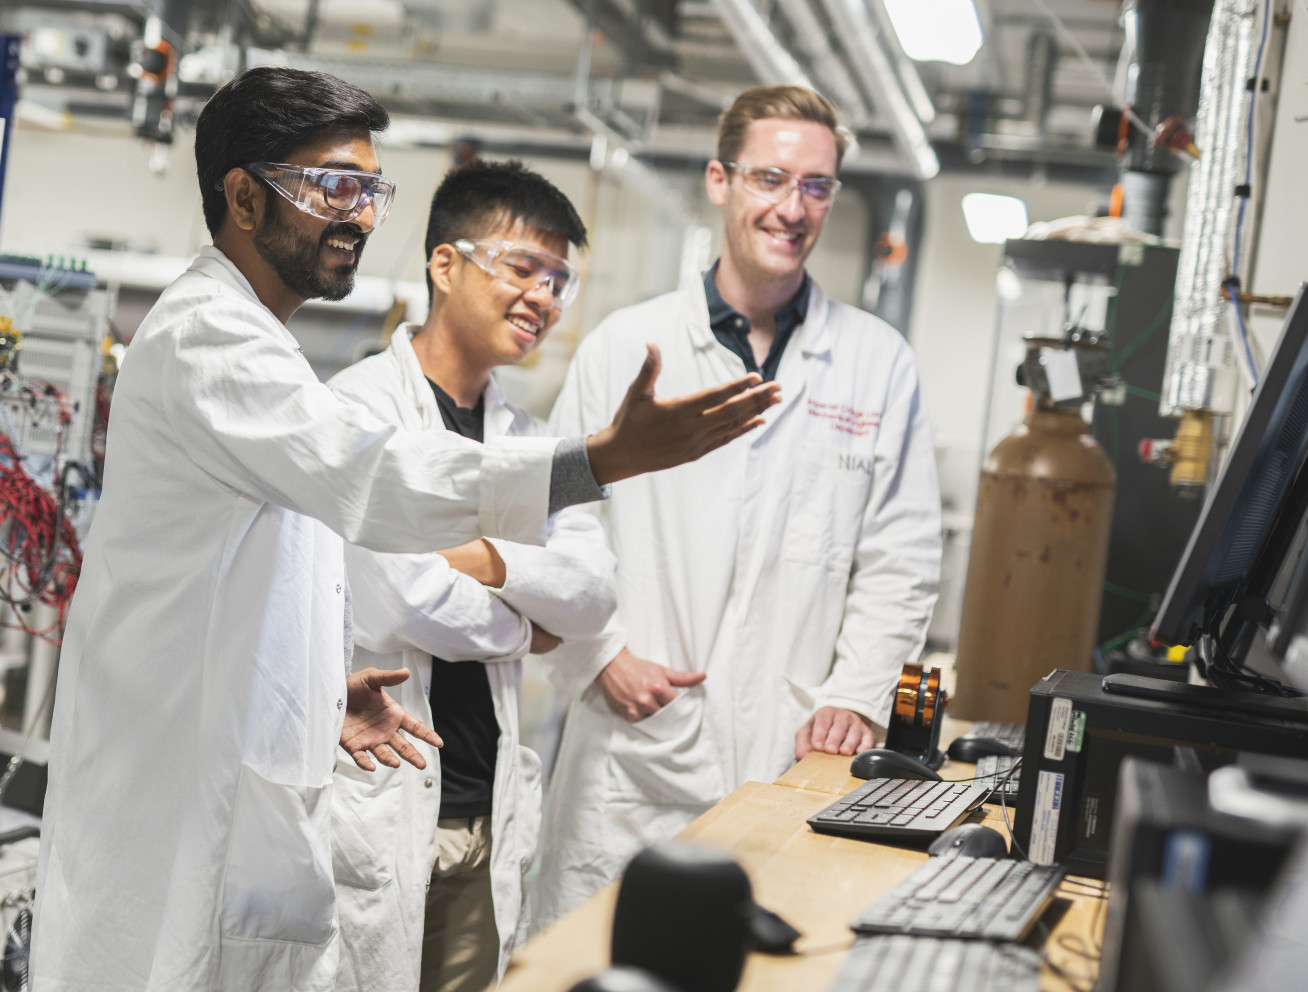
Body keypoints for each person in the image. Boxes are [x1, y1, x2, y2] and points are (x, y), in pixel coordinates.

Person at [30, 67, 778, 992]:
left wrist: (318, 689)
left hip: (251, 783)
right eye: (331, 187)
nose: (358, 215)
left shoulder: (266, 350)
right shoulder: (205, 340)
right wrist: (598, 462)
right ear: (242, 197)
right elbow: (376, 487)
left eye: (370, 190)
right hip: (168, 811)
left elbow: (262, 576)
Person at [537, 85, 942, 925]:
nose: (792, 208)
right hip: (635, 749)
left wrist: (859, 693)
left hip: (795, 745)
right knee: (602, 962)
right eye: (770, 179)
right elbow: (557, 518)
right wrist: (598, 653)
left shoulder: (876, 361)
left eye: (817, 186)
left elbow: (900, 557)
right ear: (721, 182)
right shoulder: (626, 345)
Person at [329, 160, 613, 992]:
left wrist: (487, 558)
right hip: (378, 800)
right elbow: (404, 596)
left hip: (486, 813)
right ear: (445, 265)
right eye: (522, 267)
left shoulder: (532, 439)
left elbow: (594, 594)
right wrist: (529, 626)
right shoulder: (361, 409)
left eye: (558, 278)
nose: (544, 297)